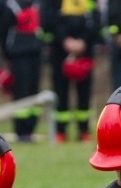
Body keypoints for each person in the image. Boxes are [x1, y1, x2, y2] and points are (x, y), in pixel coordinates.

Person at [41, 0, 101, 143]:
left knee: (85, 92)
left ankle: (84, 131)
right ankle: (60, 131)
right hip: (59, 50)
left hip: (85, 50)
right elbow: (48, 19)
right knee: (60, 90)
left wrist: (84, 41)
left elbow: (96, 19)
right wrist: (64, 40)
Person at [0, 0, 44, 142]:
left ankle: (31, 128)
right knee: (21, 91)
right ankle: (21, 131)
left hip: (35, 53)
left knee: (34, 91)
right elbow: (1, 32)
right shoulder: (10, 6)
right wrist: (8, 55)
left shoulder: (36, 5)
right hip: (18, 55)